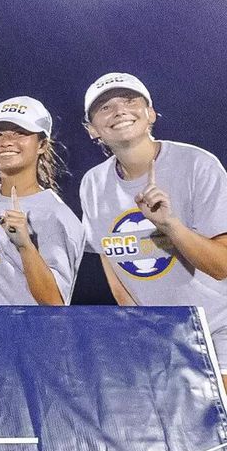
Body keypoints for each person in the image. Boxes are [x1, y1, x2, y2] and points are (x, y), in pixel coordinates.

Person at [78, 72, 227, 389]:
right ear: (92, 129)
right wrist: (141, 327)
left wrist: (170, 225)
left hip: (219, 330)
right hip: (161, 341)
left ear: (151, 114)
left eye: (130, 100)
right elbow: (109, 255)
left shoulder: (198, 164)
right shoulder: (92, 183)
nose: (119, 110)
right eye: (105, 106)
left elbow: (222, 266)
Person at [0, 97, 83, 305]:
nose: (6, 141)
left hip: (17, 336)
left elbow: (55, 304)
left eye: (20, 132)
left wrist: (25, 246)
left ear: (42, 144)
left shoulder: (57, 215)